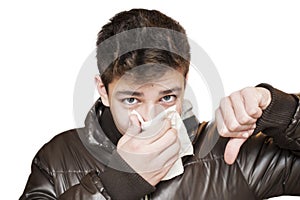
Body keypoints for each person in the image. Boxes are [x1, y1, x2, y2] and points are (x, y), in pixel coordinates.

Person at [20, 9, 300, 200]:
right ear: (103, 91)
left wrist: (282, 111)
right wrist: (114, 185)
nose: (151, 117)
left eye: (167, 98)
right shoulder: (57, 159)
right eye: (132, 100)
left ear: (185, 82)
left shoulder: (229, 152)